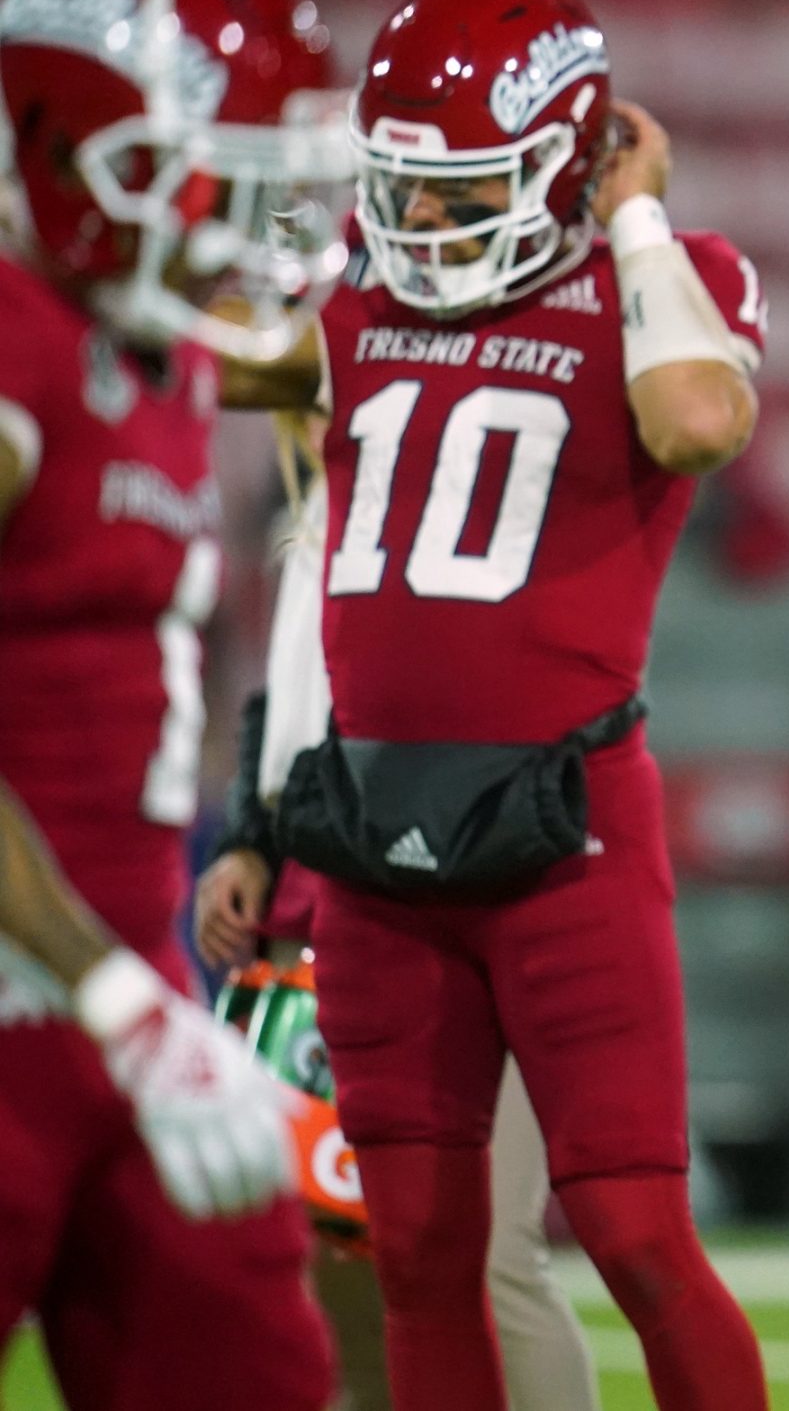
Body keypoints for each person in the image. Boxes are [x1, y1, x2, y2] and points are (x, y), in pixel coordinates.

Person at [208, 0, 769, 1411]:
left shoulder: (661, 269)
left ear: (574, 164)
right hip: (367, 831)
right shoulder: (358, 282)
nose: (432, 222)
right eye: (411, 187)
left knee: (640, 1235)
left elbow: (699, 417)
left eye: (471, 189)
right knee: (416, 1249)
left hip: (563, 823)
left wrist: (636, 213)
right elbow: (198, 346)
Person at [0, 0, 339, 1410]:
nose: (232, 222)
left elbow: (367, 345)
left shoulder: (152, 335)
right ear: (84, 154)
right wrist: (119, 998)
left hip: (113, 1015)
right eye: (210, 172)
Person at [195, 415, 602, 1411]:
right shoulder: (327, 501)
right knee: (336, 1254)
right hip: (315, 908)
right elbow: (283, 703)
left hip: (463, 902)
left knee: (489, 1259)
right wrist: (251, 836)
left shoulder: (478, 481)